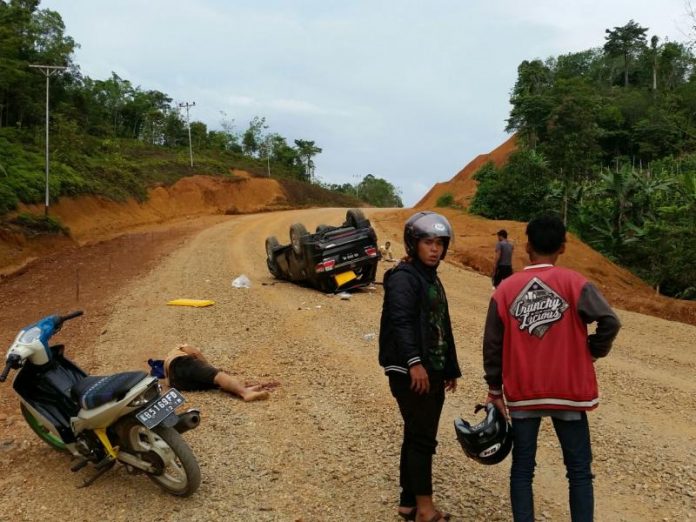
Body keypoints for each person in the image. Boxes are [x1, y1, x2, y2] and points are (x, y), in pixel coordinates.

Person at [482, 216, 621, 522]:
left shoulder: (505, 290)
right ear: (562, 247)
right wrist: (592, 351)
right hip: (569, 392)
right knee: (579, 472)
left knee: (522, 470)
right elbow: (610, 321)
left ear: (527, 246)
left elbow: (492, 344)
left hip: (523, 393)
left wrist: (494, 389)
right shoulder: (576, 283)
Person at [379, 211, 461, 522]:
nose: (435, 249)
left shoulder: (429, 276)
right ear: (413, 243)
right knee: (423, 437)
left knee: (415, 434)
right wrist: (414, 361)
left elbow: (440, 324)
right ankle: (425, 510)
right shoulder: (404, 277)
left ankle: (408, 503)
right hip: (411, 371)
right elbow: (400, 323)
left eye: (440, 243)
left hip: (431, 369)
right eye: (428, 242)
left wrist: (449, 367)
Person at [165, 344, 270, 402]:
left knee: (215, 383)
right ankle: (246, 393)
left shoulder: (168, 361)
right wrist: (210, 368)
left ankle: (242, 390)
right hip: (180, 364)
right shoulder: (180, 348)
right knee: (217, 376)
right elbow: (195, 352)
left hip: (177, 383)